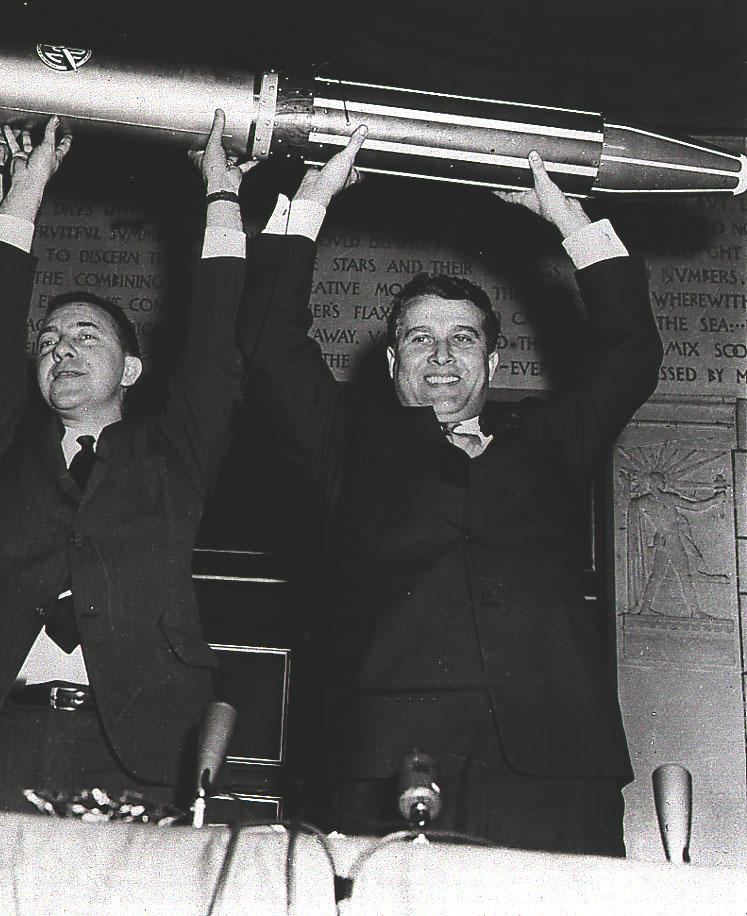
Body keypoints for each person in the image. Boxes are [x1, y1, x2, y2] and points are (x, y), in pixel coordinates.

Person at [237, 130, 663, 854]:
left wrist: (569, 220)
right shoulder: (343, 442)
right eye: (419, 338)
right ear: (390, 358)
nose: (440, 356)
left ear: (493, 360)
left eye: (462, 338)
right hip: (389, 757)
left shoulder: (550, 439)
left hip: (556, 762)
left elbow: (631, 353)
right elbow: (268, 343)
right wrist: (312, 200)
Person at [0, 93, 251, 811]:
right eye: (49, 341)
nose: (61, 347)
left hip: (141, 746)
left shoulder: (173, 453)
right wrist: (26, 185)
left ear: (130, 369)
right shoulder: (5, 445)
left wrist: (221, 194)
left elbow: (217, 343)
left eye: (86, 336)